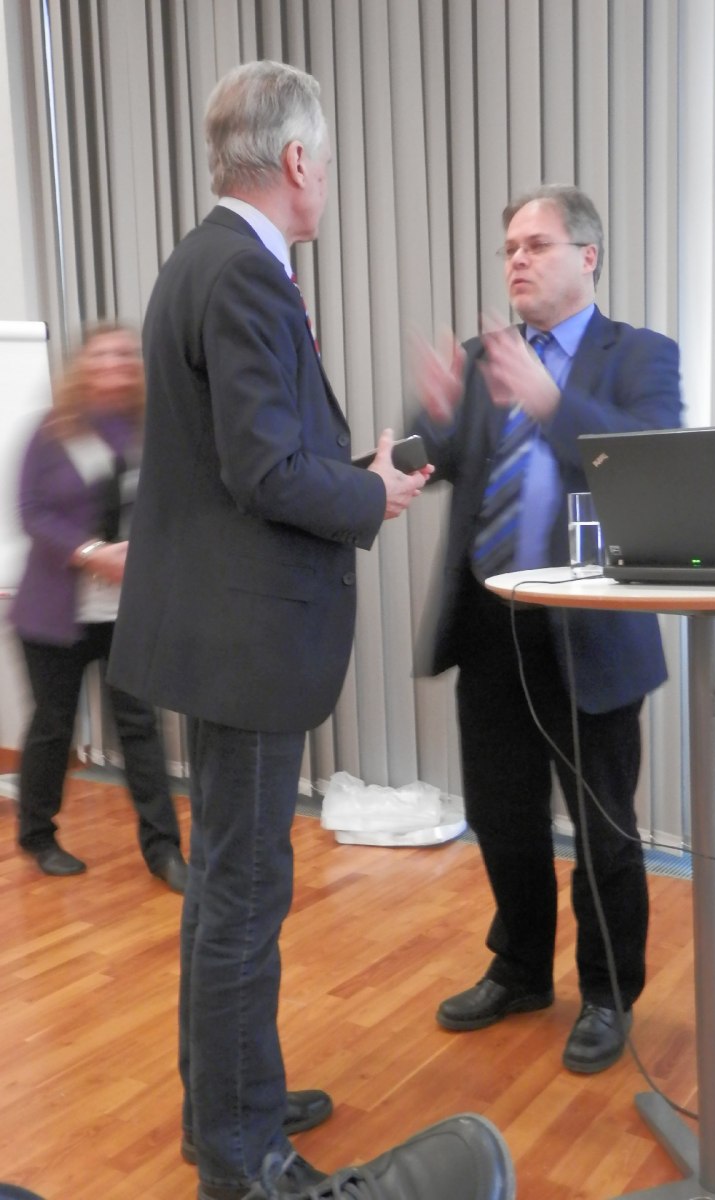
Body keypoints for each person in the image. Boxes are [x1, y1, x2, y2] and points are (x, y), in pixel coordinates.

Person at [108, 61, 513, 1200]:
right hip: (246, 642)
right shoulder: (247, 273)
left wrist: (359, 469)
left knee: (226, 887)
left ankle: (225, 1099)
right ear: (296, 161)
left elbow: (259, 458)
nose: (327, 181)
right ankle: (242, 1158)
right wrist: (370, 492)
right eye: (325, 163)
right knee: (244, 896)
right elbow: (265, 472)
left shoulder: (202, 261)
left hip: (215, 631)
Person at [410, 184, 683, 1075]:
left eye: (536, 245)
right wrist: (432, 421)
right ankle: (521, 968)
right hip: (491, 624)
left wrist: (551, 404)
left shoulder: (640, 355)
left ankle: (607, 992)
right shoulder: (482, 359)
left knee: (603, 828)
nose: (517, 260)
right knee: (501, 817)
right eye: (509, 250)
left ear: (588, 257)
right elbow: (437, 460)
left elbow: (652, 464)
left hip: (591, 631)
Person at [10, 324, 187, 892]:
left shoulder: (147, 430)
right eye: (102, 355)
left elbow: (167, 506)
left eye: (124, 354)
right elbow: (32, 512)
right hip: (54, 613)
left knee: (140, 728)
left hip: (126, 611)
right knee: (53, 727)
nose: (115, 363)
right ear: (81, 366)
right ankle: (38, 835)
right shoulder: (52, 431)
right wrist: (90, 554)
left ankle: (164, 851)